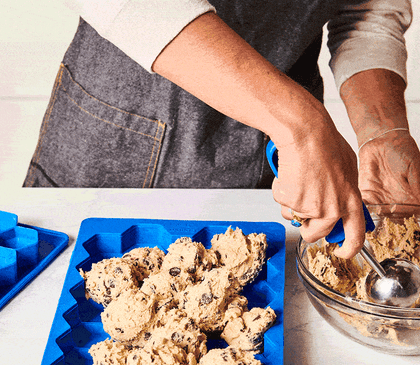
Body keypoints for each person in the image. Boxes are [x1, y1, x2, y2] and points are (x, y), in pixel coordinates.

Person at [23, 0, 420, 260]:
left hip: (271, 150)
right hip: (122, 130)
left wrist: (383, 131)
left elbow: (367, 6)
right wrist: (301, 123)